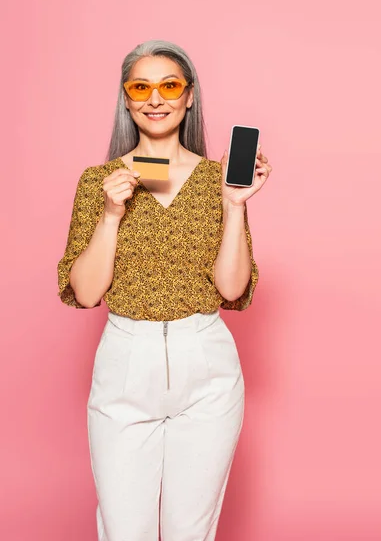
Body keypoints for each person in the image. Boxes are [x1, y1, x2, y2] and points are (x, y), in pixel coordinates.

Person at [57, 39, 272, 541]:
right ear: (127, 99)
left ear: (189, 96)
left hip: (207, 365)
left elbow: (232, 289)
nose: (156, 99)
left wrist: (236, 205)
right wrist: (111, 215)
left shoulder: (215, 180)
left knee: (188, 531)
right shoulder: (99, 182)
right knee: (124, 528)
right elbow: (86, 294)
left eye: (169, 85)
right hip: (127, 361)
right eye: (141, 87)